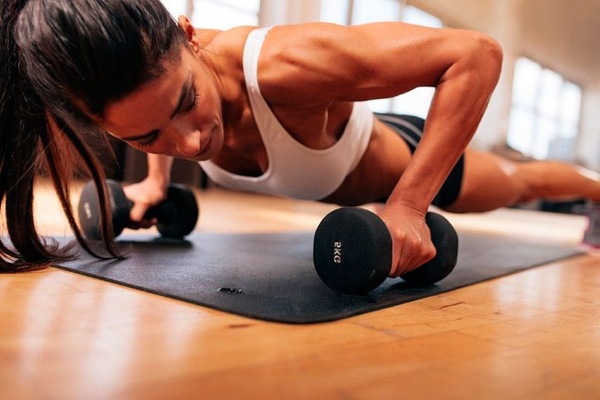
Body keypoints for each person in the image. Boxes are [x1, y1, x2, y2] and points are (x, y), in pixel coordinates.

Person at [2, 0, 600, 274]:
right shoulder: (152, 104)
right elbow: (158, 119)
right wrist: (154, 185)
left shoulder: (286, 66)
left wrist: (410, 205)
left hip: (400, 157)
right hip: (345, 191)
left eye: (188, 102)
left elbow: (475, 54)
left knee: (521, 183)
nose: (187, 145)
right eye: (146, 138)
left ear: (188, 34)